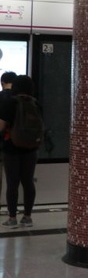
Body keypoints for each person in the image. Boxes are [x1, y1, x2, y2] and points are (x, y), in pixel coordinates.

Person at [1, 75, 39, 228]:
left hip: (11, 147)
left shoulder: (10, 103)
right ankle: (27, 217)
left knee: (12, 183)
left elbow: (1, 126)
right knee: (28, 181)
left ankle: (12, 218)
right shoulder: (36, 103)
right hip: (31, 148)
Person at [0, 71, 16, 214]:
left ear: (2, 83)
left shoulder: (0, 97)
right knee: (21, 180)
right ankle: (23, 214)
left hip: (3, 142)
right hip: (21, 143)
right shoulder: (23, 99)